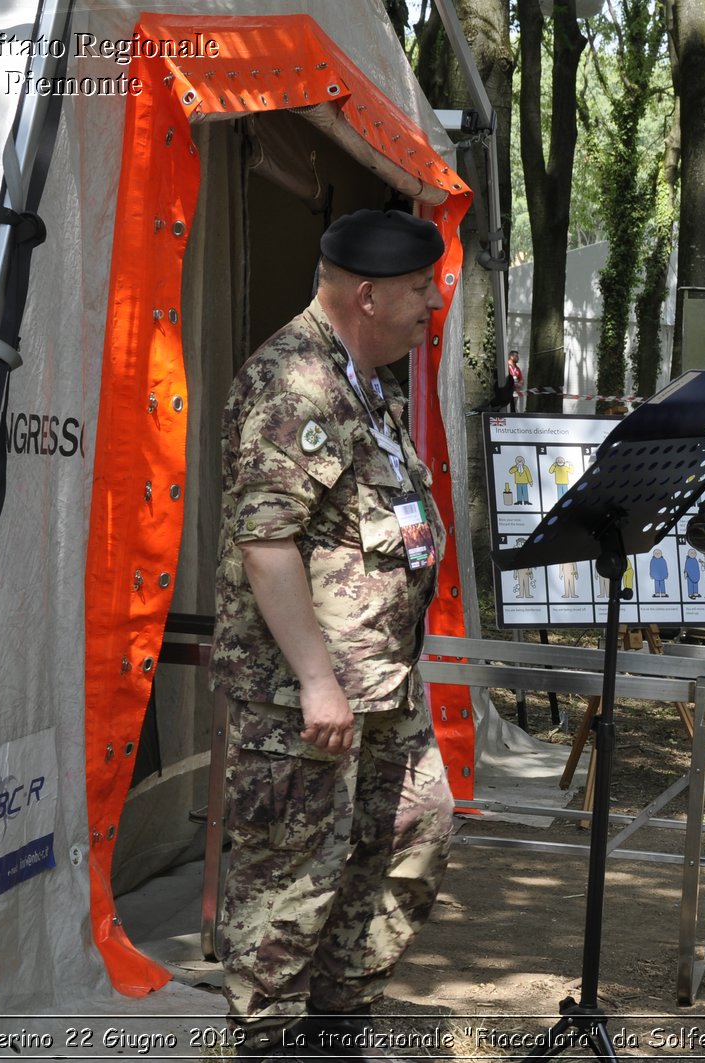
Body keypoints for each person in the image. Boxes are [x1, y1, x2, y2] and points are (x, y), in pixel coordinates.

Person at [211, 208, 455, 1060]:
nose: (434, 300)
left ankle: (336, 1020)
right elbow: (266, 540)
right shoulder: (297, 383)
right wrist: (317, 679)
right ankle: (268, 1039)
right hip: (305, 692)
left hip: (381, 678)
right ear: (368, 293)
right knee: (291, 875)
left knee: (413, 829)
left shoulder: (363, 376)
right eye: (421, 288)